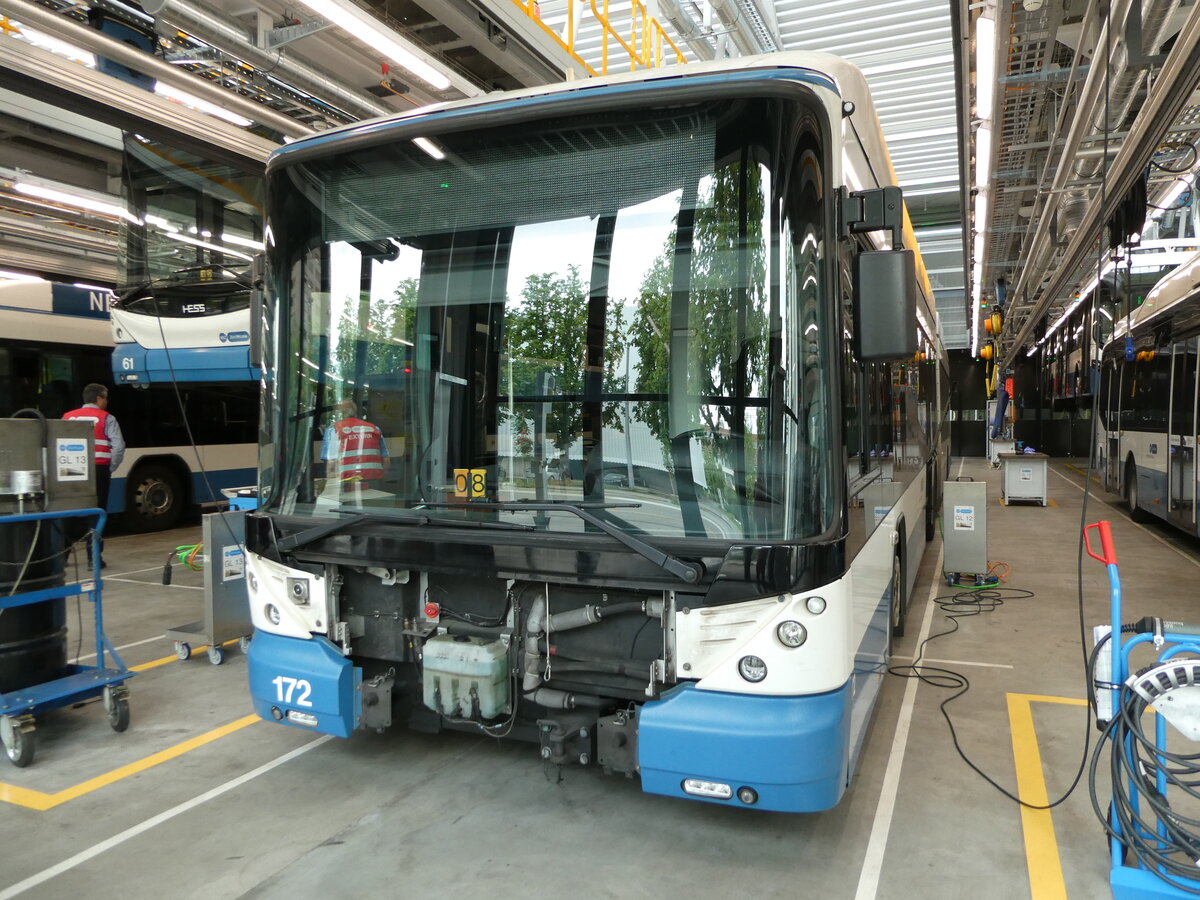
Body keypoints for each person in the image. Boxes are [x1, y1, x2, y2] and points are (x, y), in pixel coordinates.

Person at [62, 383, 125, 567]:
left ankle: (62, 557)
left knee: (69, 512)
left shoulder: (67, 417)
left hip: (71, 471)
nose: (106, 401)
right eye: (105, 398)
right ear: (98, 398)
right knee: (97, 513)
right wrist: (110, 467)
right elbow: (119, 446)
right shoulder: (106, 418)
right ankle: (93, 559)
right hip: (98, 469)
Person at [321, 400, 389, 485]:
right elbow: (386, 459)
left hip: (345, 481)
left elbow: (331, 463)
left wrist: (330, 483)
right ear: (355, 411)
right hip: (373, 480)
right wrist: (383, 478)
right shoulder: (374, 428)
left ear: (339, 413)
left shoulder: (333, 430)